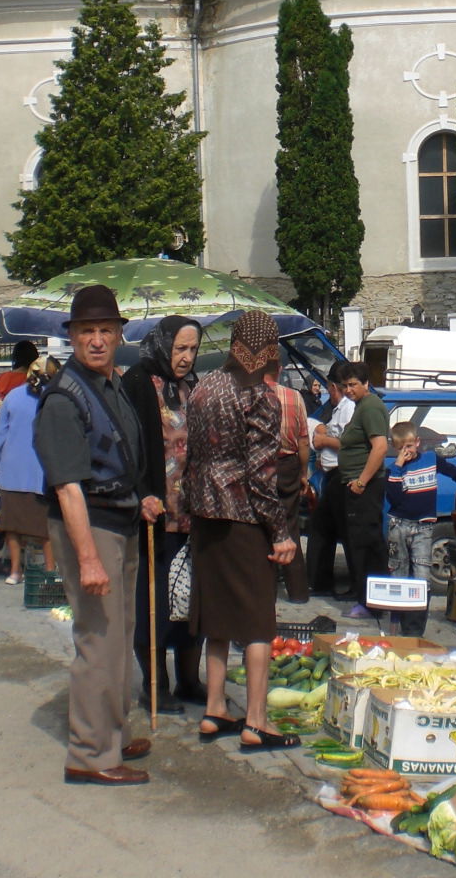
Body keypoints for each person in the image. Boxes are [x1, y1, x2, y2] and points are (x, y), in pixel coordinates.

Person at [34, 286, 155, 785]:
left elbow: (120, 453)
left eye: (106, 330)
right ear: (72, 337)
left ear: (119, 334)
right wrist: (87, 559)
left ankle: (114, 732)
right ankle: (89, 755)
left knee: (118, 637)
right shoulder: (64, 399)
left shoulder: (109, 385)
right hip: (92, 527)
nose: (98, 340)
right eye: (88, 331)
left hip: (119, 519)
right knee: (97, 641)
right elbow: (67, 488)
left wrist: (141, 494)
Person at [184, 310, 300, 752]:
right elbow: (261, 475)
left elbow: (192, 455)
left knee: (215, 618)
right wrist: (282, 533)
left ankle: (215, 709)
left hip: (204, 516)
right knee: (255, 623)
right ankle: (256, 720)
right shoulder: (260, 396)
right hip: (244, 519)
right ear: (269, 351)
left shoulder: (203, 387)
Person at [123, 315, 202, 712]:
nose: (186, 357)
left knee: (190, 599)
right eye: (179, 349)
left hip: (191, 515)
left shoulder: (194, 386)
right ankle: (156, 684)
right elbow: (126, 447)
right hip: (155, 514)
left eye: (192, 349)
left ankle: (190, 678)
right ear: (163, 345)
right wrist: (141, 493)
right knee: (153, 602)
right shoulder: (137, 383)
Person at [385, 420, 456, 636]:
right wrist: (397, 467)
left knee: (422, 575)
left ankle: (415, 629)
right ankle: (397, 624)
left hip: (423, 528)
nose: (406, 452)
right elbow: (394, 498)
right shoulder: (395, 469)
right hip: (400, 525)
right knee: (399, 573)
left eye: (410, 446)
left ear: (418, 442)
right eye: (401, 448)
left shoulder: (431, 460)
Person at [0, 352, 54, 586]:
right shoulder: (54, 398)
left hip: (12, 469)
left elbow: (0, 436)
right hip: (43, 472)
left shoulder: (13, 397)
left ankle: (15, 571)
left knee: (13, 526)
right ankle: (49, 572)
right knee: (44, 528)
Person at [335, 361, 389, 618]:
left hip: (365, 488)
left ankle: (372, 603)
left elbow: (380, 447)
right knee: (359, 543)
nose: (348, 390)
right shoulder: (360, 407)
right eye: (344, 385)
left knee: (367, 544)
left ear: (366, 383)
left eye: (353, 384)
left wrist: (361, 482)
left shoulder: (370, 407)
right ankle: (366, 598)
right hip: (357, 485)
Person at [307, 361, 356, 598]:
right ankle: (320, 582)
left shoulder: (348, 408)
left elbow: (348, 443)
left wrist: (324, 441)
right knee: (323, 529)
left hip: (341, 474)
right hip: (330, 474)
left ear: (333, 387)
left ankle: (335, 584)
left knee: (340, 531)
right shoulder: (337, 409)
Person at [269, 370, 311, 603]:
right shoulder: (294, 397)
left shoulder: (249, 394)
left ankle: (267, 593)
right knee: (290, 526)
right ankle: (298, 592)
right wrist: (303, 472)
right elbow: (304, 439)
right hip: (288, 465)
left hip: (259, 466)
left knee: (264, 528)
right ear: (279, 370)